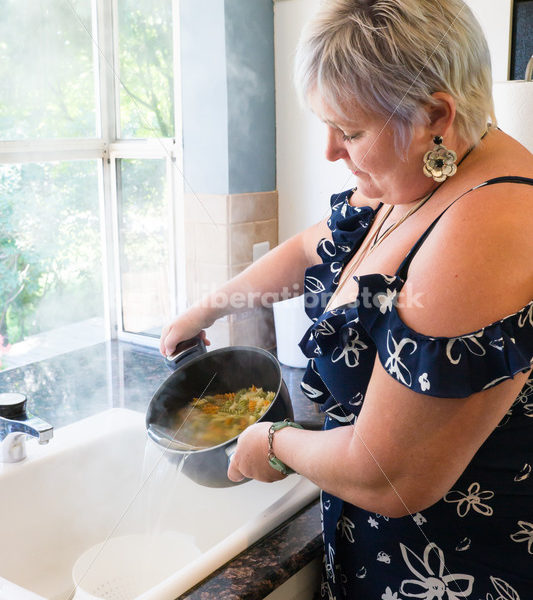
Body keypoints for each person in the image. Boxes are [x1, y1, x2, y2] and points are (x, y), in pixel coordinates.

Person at [160, 0, 533, 597]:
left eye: (351, 131)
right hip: (379, 553)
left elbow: (392, 475)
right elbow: (318, 245)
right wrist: (212, 305)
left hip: (451, 571)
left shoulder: (483, 227)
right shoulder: (428, 171)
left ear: (436, 114)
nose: (331, 151)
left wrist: (272, 442)